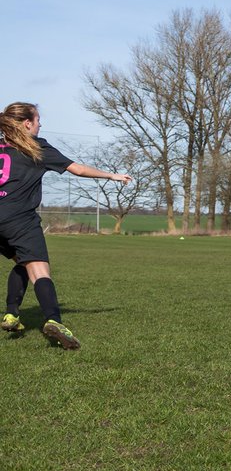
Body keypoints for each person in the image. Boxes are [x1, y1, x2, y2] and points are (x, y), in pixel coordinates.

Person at [0, 102, 132, 349]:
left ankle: (11, 314)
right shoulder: (36, 147)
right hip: (19, 218)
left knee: (22, 261)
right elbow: (78, 169)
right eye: (38, 120)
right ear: (27, 123)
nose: (41, 124)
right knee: (39, 270)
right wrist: (112, 175)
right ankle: (53, 320)